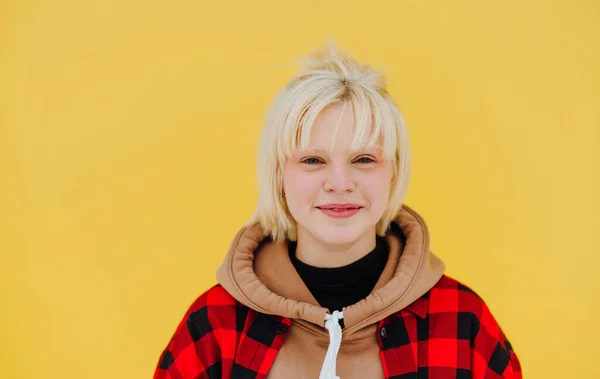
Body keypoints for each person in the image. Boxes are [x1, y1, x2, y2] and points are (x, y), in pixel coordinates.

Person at [153, 42, 522, 379]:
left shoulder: (463, 321)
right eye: (313, 160)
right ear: (280, 175)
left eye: (364, 159)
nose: (340, 182)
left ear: (393, 173)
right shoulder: (214, 325)